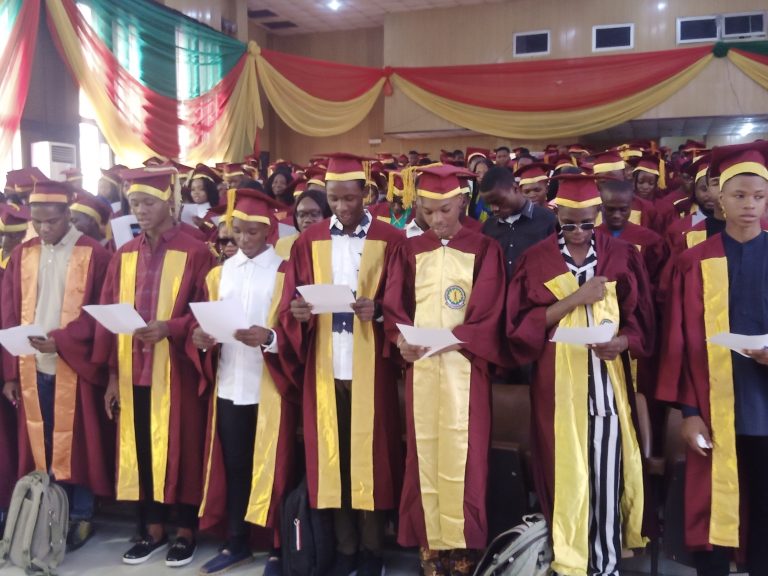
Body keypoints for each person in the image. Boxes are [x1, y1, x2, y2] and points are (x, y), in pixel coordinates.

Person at [506, 174, 655, 576]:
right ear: (556, 215)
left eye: (587, 223)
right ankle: (569, 562)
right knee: (565, 475)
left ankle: (605, 564)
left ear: (598, 215)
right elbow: (519, 327)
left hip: (606, 387)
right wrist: (577, 298)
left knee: (606, 479)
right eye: (568, 224)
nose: (577, 233)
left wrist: (622, 342)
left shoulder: (621, 255)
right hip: (556, 389)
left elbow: (640, 321)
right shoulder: (537, 259)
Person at [279, 153, 403, 576]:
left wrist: (380, 311)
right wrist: (297, 314)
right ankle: (344, 549)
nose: (342, 207)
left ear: (365, 194)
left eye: (350, 198)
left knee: (370, 458)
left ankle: (372, 552)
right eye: (334, 199)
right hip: (324, 365)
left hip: (372, 368)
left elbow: (403, 301)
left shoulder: (390, 239)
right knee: (333, 460)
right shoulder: (309, 241)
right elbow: (292, 302)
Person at [383, 164, 505, 576]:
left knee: (466, 457)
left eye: (445, 210)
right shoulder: (409, 249)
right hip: (421, 368)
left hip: (465, 368)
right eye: (428, 211)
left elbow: (489, 311)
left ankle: (464, 549)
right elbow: (394, 306)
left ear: (463, 203)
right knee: (424, 453)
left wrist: (455, 340)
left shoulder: (484, 248)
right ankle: (431, 546)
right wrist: (399, 339)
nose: (437, 219)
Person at [657, 142, 768, 576]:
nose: (749, 205)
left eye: (758, 196)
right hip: (711, 404)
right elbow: (679, 343)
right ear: (720, 197)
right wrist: (688, 413)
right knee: (712, 503)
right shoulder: (694, 261)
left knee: (764, 505)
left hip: (763, 403)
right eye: (739, 195)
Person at [94, 167, 214, 567]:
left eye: (148, 202)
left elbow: (205, 312)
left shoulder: (196, 251)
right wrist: (112, 377)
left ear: (169, 203)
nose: (140, 210)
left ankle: (186, 531)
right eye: (134, 204)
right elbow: (109, 317)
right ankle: (153, 528)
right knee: (142, 449)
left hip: (177, 370)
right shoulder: (124, 255)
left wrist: (172, 327)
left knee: (183, 450)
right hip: (133, 372)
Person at [1, 180, 114, 552]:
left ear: (68, 214)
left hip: (73, 365)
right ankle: (44, 512)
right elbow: (9, 313)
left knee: (77, 444)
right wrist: (10, 373)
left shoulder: (93, 254)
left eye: (51, 221)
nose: (43, 228)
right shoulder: (23, 254)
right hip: (31, 367)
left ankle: (80, 514)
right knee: (42, 442)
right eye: (37, 221)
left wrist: (63, 341)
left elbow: (99, 312)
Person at [192, 189, 297, 576]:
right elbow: (204, 322)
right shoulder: (218, 274)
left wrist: (270, 338)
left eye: (253, 232)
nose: (244, 239)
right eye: (237, 231)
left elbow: (297, 330)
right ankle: (237, 542)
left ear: (269, 231)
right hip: (229, 382)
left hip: (270, 385)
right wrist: (200, 338)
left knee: (275, 467)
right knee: (234, 465)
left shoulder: (285, 271)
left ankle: (277, 548)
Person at [478, 166, 556, 280]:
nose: (494, 208)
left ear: (515, 188)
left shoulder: (547, 219)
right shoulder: (488, 227)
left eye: (499, 201)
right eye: (489, 204)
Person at [596, 179, 668, 289]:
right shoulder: (592, 236)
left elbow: (656, 277)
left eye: (623, 210)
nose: (616, 215)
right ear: (601, 207)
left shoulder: (650, 239)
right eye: (610, 209)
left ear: (631, 207)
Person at [274, 189, 331, 260]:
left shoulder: (336, 244)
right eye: (302, 215)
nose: (307, 220)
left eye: (314, 214)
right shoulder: (284, 244)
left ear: (326, 216)